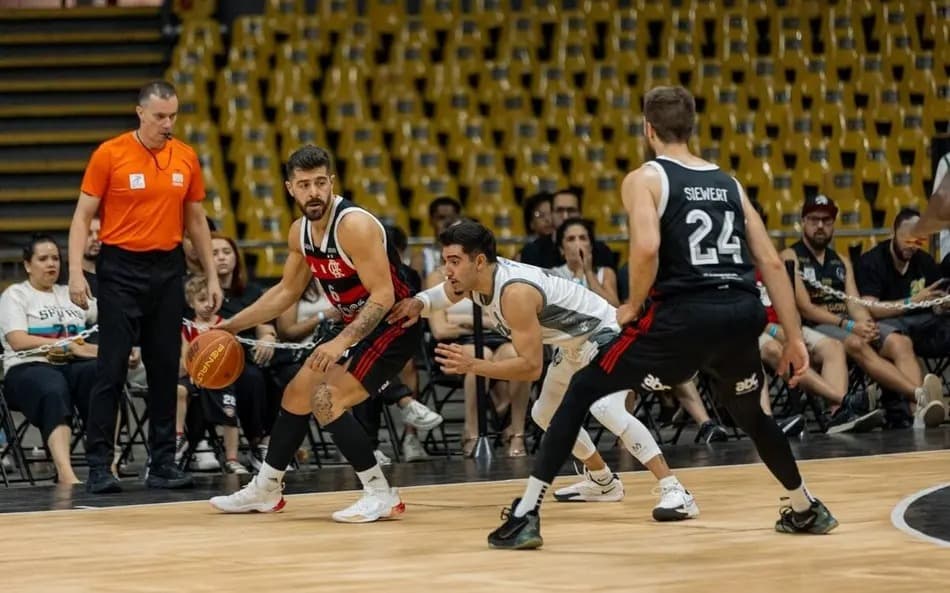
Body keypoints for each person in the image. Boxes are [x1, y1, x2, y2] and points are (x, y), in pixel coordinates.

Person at [487, 86, 837, 550]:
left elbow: (648, 247)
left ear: (647, 129)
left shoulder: (646, 178)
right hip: (740, 313)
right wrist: (793, 337)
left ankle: (527, 513)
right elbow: (772, 263)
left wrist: (631, 304)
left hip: (684, 317)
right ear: (691, 127)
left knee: (582, 390)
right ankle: (804, 507)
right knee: (751, 414)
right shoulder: (729, 182)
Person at [389, 221, 699, 517]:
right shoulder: (475, 279)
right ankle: (603, 481)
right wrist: (418, 302)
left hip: (605, 336)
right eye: (445, 261)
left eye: (454, 261)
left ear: (479, 261)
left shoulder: (515, 293)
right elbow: (444, 293)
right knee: (544, 414)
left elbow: (530, 368)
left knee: (606, 408)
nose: (447, 270)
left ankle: (675, 489)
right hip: (574, 345)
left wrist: (473, 364)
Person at [209, 145, 421, 523]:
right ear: (290, 188)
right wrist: (230, 325)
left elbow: (384, 294)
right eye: (304, 185)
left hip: (391, 326)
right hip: (353, 325)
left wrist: (341, 341)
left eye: (320, 183)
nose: (314, 192)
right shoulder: (300, 232)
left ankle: (380, 493)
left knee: (326, 400)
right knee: (296, 394)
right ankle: (267, 488)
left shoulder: (354, 225)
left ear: (332, 182)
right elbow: (286, 292)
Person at [68, 80, 220, 494]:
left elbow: (196, 221)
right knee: (111, 368)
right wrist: (77, 271)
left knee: (165, 368)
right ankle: (100, 464)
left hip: (167, 269)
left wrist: (209, 273)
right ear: (140, 113)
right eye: (159, 116)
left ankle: (163, 464)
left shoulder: (186, 157)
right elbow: (83, 217)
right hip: (120, 268)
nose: (168, 123)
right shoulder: (110, 154)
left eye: (173, 116)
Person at [782, 195, 945, 429]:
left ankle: (917, 415)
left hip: (848, 323)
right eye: (814, 219)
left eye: (826, 220)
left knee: (899, 342)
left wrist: (867, 324)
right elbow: (806, 307)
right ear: (803, 221)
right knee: (856, 344)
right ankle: (918, 395)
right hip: (816, 326)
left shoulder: (841, 260)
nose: (820, 226)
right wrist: (849, 325)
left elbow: (855, 303)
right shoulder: (791, 257)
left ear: (834, 224)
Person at [0, 235, 96, 485]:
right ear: (28, 265)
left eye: (55, 258)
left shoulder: (71, 293)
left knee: (101, 376)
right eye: (43, 259)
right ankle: (66, 473)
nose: (51, 264)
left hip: (72, 366)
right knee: (53, 386)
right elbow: (18, 340)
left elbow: (109, 322)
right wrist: (66, 345)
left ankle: (108, 464)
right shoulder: (16, 295)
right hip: (27, 368)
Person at [858, 208, 950, 359]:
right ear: (892, 233)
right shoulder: (871, 262)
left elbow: (937, 300)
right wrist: (912, 302)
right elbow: (871, 308)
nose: (913, 244)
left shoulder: (924, 260)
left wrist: (942, 305)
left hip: (925, 325)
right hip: (887, 326)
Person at [550, 217, 620, 306]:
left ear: (590, 246)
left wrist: (588, 272)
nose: (577, 243)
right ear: (561, 250)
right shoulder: (553, 275)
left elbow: (614, 306)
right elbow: (569, 307)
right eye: (571, 239)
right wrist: (578, 272)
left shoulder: (605, 272)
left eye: (582, 238)